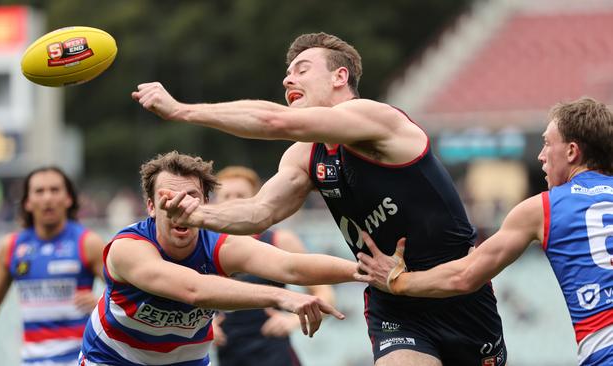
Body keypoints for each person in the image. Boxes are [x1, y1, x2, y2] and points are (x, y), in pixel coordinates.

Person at [132, 32, 507, 366]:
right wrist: (195, 216)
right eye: (287, 73)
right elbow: (259, 212)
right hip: (392, 298)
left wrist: (182, 111)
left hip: (459, 291)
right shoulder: (306, 156)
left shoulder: (376, 119)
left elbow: (275, 122)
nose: (287, 79)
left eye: (302, 68)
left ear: (339, 77)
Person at [355, 97, 613, 366]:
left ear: (572, 152)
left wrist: (396, 281)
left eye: (548, 143)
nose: (540, 155)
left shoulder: (543, 209)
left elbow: (464, 276)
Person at [79, 151, 358, 366]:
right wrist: (281, 297)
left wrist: (366, 271)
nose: (180, 206)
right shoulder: (128, 247)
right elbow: (195, 290)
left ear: (205, 204)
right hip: (113, 358)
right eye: (168, 198)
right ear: (151, 206)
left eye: (190, 196)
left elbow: (292, 266)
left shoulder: (222, 245)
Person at [0, 167, 105, 366]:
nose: (47, 198)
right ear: (27, 202)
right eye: (39, 191)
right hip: (32, 360)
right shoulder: (12, 247)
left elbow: (121, 295)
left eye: (55, 190)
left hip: (80, 359)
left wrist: (101, 304)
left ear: (69, 199)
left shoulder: (87, 243)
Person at [212, 166, 335, 366]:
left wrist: (291, 322)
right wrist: (202, 328)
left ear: (255, 200)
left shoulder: (280, 241)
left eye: (241, 195)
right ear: (215, 202)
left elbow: (324, 294)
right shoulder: (203, 246)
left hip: (274, 355)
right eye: (226, 195)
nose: (233, 201)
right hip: (228, 356)